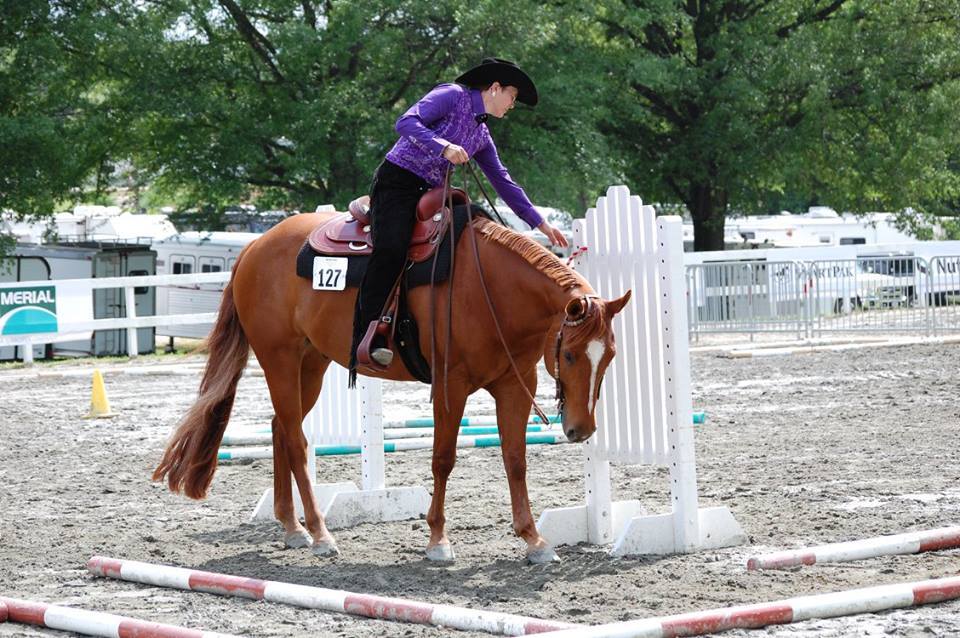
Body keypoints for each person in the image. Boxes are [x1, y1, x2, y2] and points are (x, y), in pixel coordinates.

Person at [350, 57, 569, 374]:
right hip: (396, 183)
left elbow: (503, 181)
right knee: (392, 248)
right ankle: (368, 335)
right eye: (511, 96)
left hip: (432, 194)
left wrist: (540, 223)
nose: (512, 105)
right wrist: (443, 147)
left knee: (463, 244)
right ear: (494, 88)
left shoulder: (482, 134)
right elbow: (406, 122)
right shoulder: (452, 95)